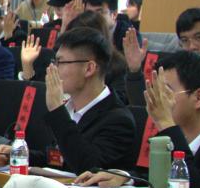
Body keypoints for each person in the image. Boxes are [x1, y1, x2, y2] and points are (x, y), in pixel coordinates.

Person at [76, 52, 200, 188]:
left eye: (165, 91)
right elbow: (161, 177)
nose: (155, 99)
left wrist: (166, 123)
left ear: (199, 98)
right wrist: (127, 178)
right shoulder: (175, 132)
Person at [126, 7, 200, 126]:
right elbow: (149, 109)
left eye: (198, 37)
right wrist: (134, 70)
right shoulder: (176, 68)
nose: (191, 46)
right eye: (184, 40)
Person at [38, 27, 137, 173]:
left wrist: (57, 112)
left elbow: (87, 167)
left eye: (60, 62)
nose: (53, 68)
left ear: (89, 68)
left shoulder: (118, 120)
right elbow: (59, 159)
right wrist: (19, 155)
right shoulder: (69, 107)